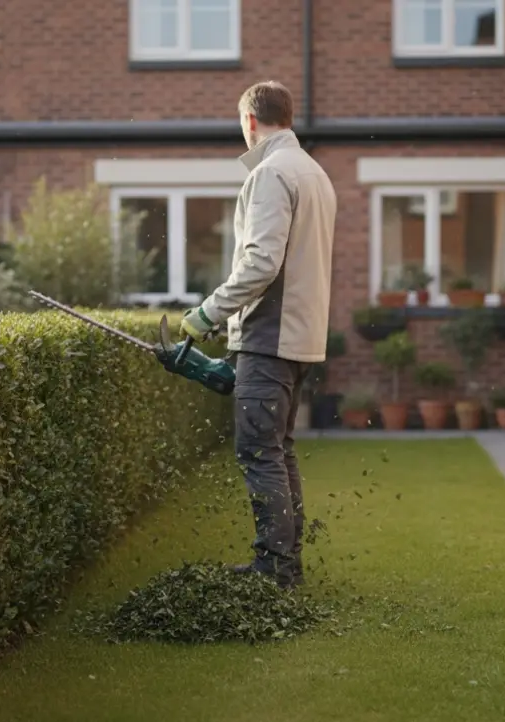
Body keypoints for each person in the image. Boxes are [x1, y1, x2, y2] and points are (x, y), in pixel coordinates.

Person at [179, 80, 337, 589]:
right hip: (299, 336)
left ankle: (274, 569)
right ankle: (286, 565)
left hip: (270, 336)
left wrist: (206, 314)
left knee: (259, 451)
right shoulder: (314, 172)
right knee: (278, 450)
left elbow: (261, 263)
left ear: (249, 121)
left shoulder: (271, 173)